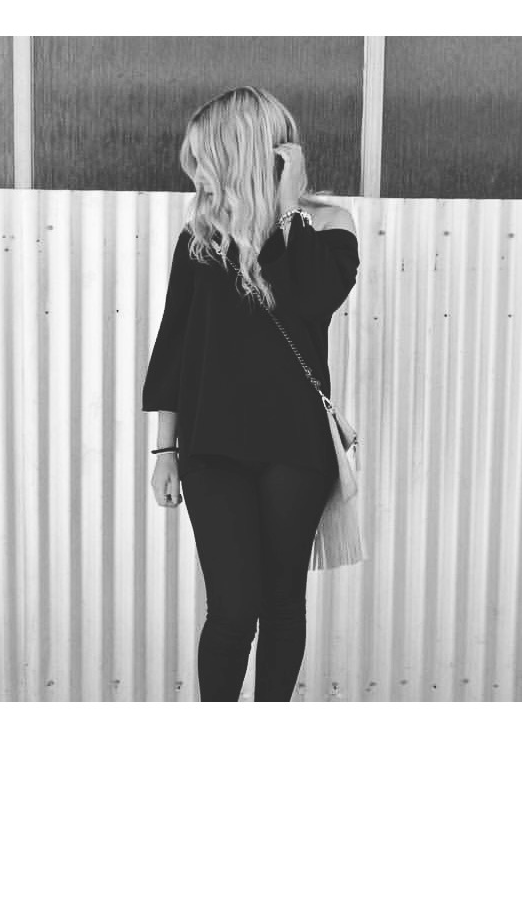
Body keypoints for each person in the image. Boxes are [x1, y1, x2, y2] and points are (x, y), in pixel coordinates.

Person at [142, 86, 359, 702]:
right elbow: (174, 347)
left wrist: (288, 211)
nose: (198, 169)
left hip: (295, 445)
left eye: (206, 154)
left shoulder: (327, 224)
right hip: (212, 445)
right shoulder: (201, 235)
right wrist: (164, 450)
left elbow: (313, 299)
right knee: (233, 607)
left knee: (281, 600)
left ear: (238, 149)